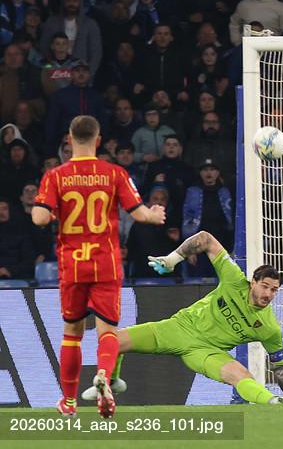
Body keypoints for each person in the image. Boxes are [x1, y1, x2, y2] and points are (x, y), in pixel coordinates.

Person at [81, 230, 283, 406]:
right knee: (112, 340)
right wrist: (172, 259)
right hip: (178, 329)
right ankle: (110, 382)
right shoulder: (234, 280)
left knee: (242, 376)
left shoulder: (269, 328)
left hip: (207, 353)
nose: (268, 294)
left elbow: (279, 364)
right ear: (253, 282)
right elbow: (205, 239)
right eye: (265, 286)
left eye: (274, 290)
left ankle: (275, 402)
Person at [32, 115, 167, 418]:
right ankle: (104, 375)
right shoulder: (114, 173)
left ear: (69, 140)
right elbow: (140, 214)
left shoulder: (55, 176)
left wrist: (52, 214)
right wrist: (155, 215)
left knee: (72, 332)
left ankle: (69, 402)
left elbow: (39, 217)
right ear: (98, 140)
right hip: (105, 263)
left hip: (73, 265)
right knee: (108, 330)